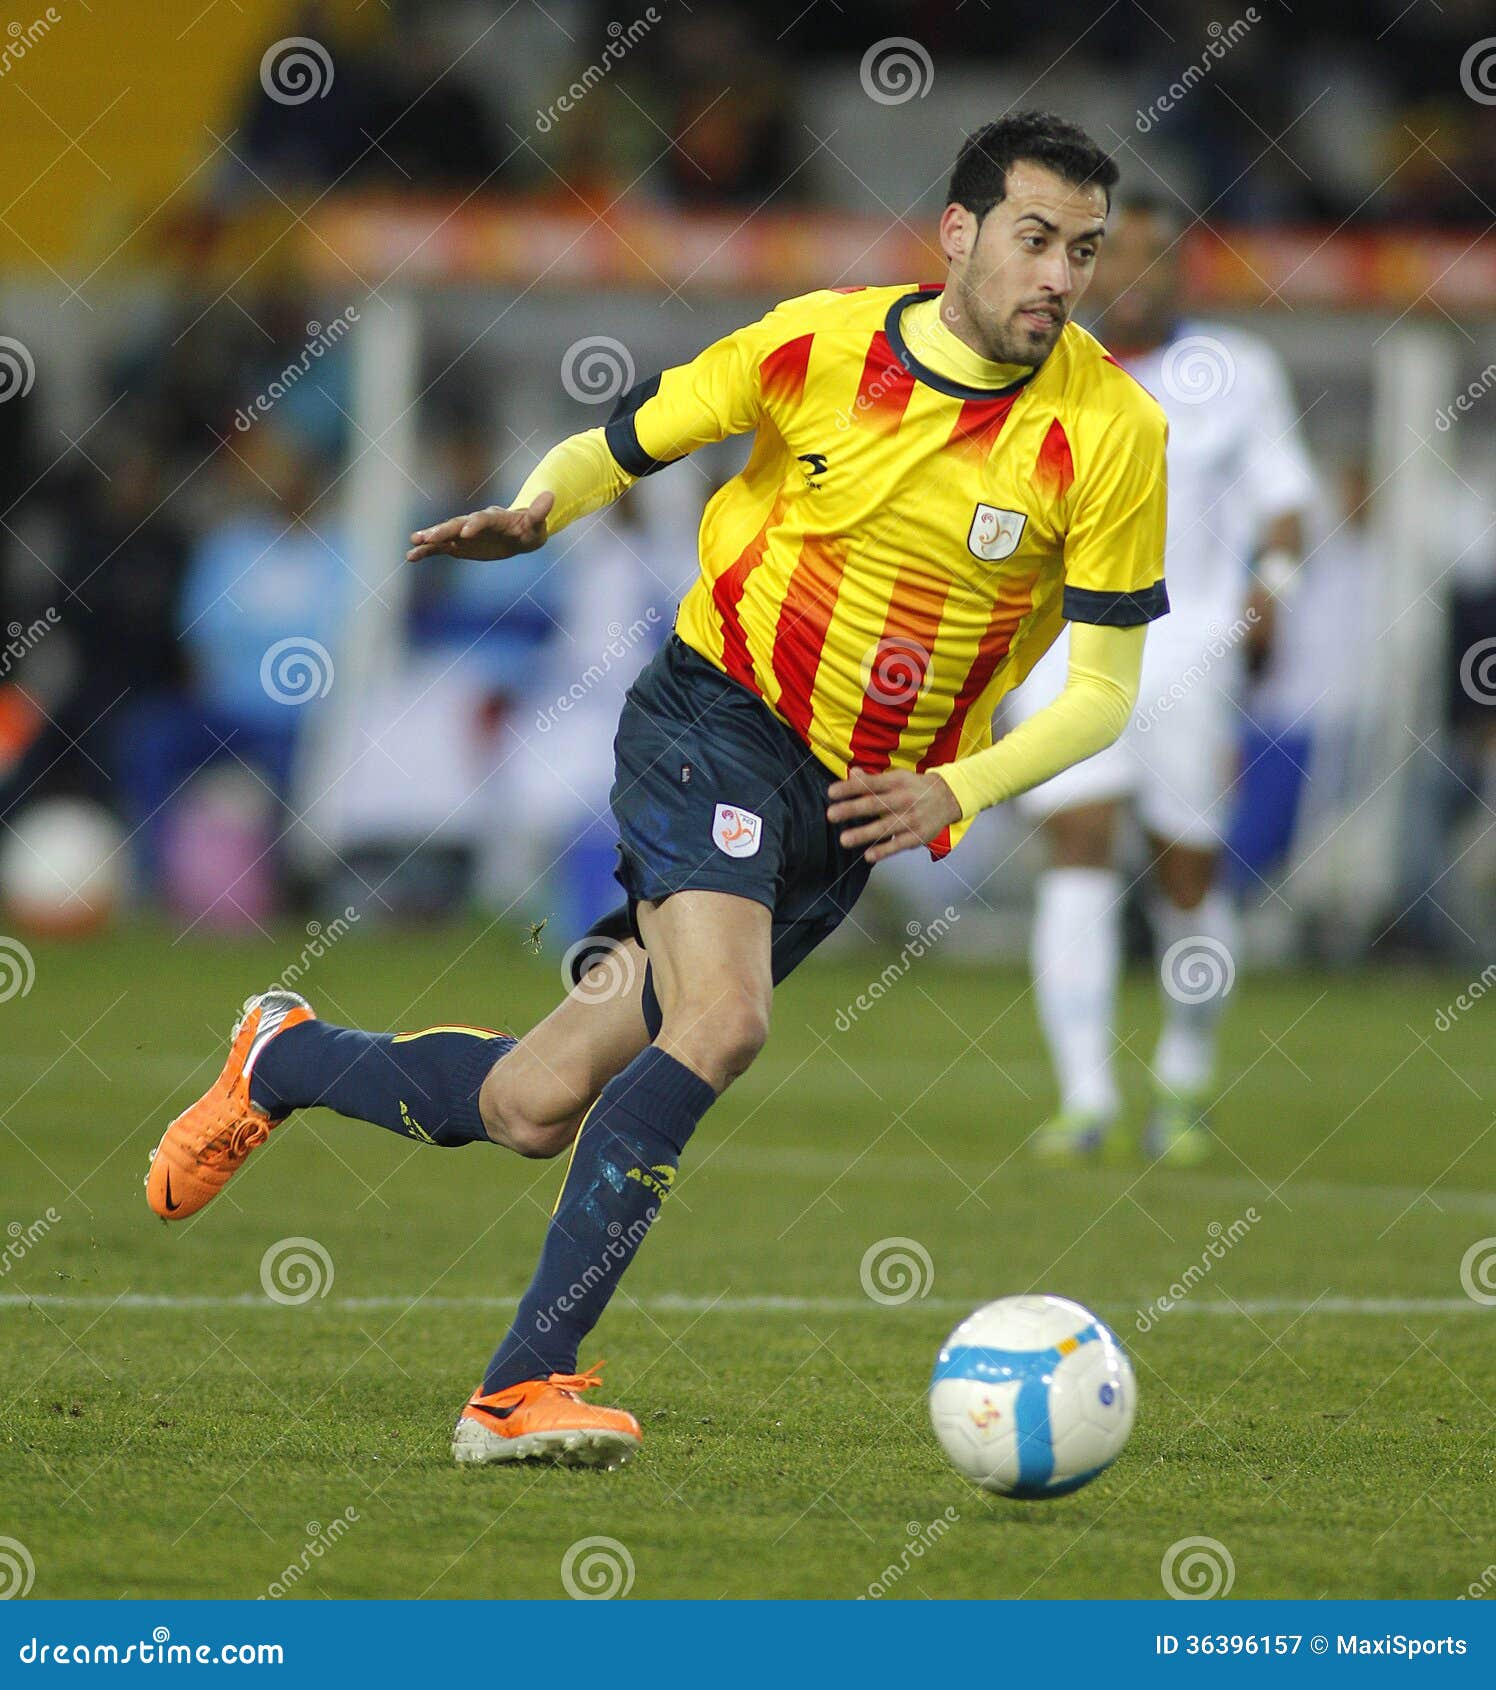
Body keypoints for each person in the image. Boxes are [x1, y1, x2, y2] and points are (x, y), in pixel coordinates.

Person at [147, 112, 1169, 1470]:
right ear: (960, 233)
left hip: (854, 808)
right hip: (715, 721)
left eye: (1085, 252)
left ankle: (281, 1054)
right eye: (1035, 239)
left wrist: (953, 787)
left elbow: (1103, 688)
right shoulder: (816, 348)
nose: (1059, 277)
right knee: (724, 1019)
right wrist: (537, 507)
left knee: (527, 1103)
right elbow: (620, 442)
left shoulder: (1111, 429)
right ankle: (524, 1385)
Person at [1007, 195, 1314, 1167]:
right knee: (1077, 838)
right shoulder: (1038, 371)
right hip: (1061, 643)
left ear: (1183, 272)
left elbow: (1282, 506)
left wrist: (1273, 588)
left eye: (1155, 257)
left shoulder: (1233, 372)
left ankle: (1181, 1076)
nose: (1134, 276)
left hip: (1186, 646)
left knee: (1183, 870)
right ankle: (1083, 1096)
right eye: (1111, 256)